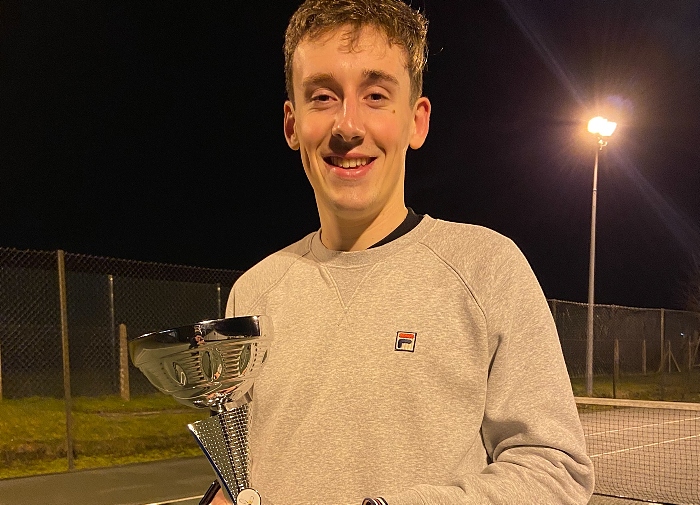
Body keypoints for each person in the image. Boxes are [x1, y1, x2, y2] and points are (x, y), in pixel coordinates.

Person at [215, 0, 595, 503]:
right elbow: (241, 472)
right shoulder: (254, 291)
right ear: (292, 124)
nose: (347, 126)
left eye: (375, 95)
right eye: (323, 96)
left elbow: (555, 471)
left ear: (416, 121)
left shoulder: (487, 268)